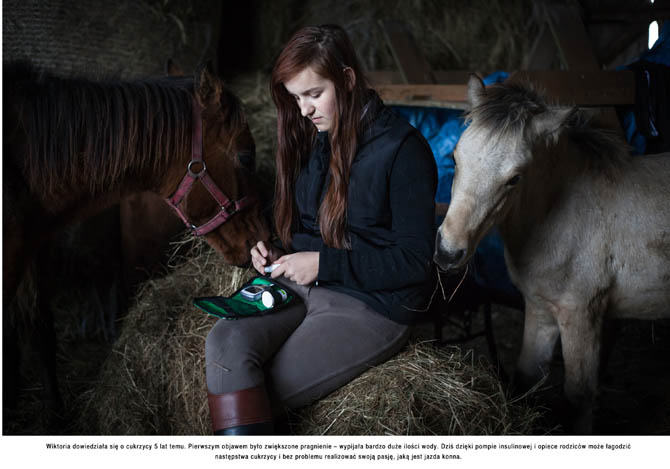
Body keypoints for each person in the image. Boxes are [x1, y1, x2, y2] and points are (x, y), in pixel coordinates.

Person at [205, 24, 437, 435]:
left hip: (369, 303)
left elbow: (416, 263)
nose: (304, 110)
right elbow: (307, 229)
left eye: (314, 94)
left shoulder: (404, 150)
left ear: (347, 80)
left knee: (266, 387)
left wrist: (324, 264)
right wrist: (276, 251)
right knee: (223, 346)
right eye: (296, 98)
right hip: (302, 287)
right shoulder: (318, 139)